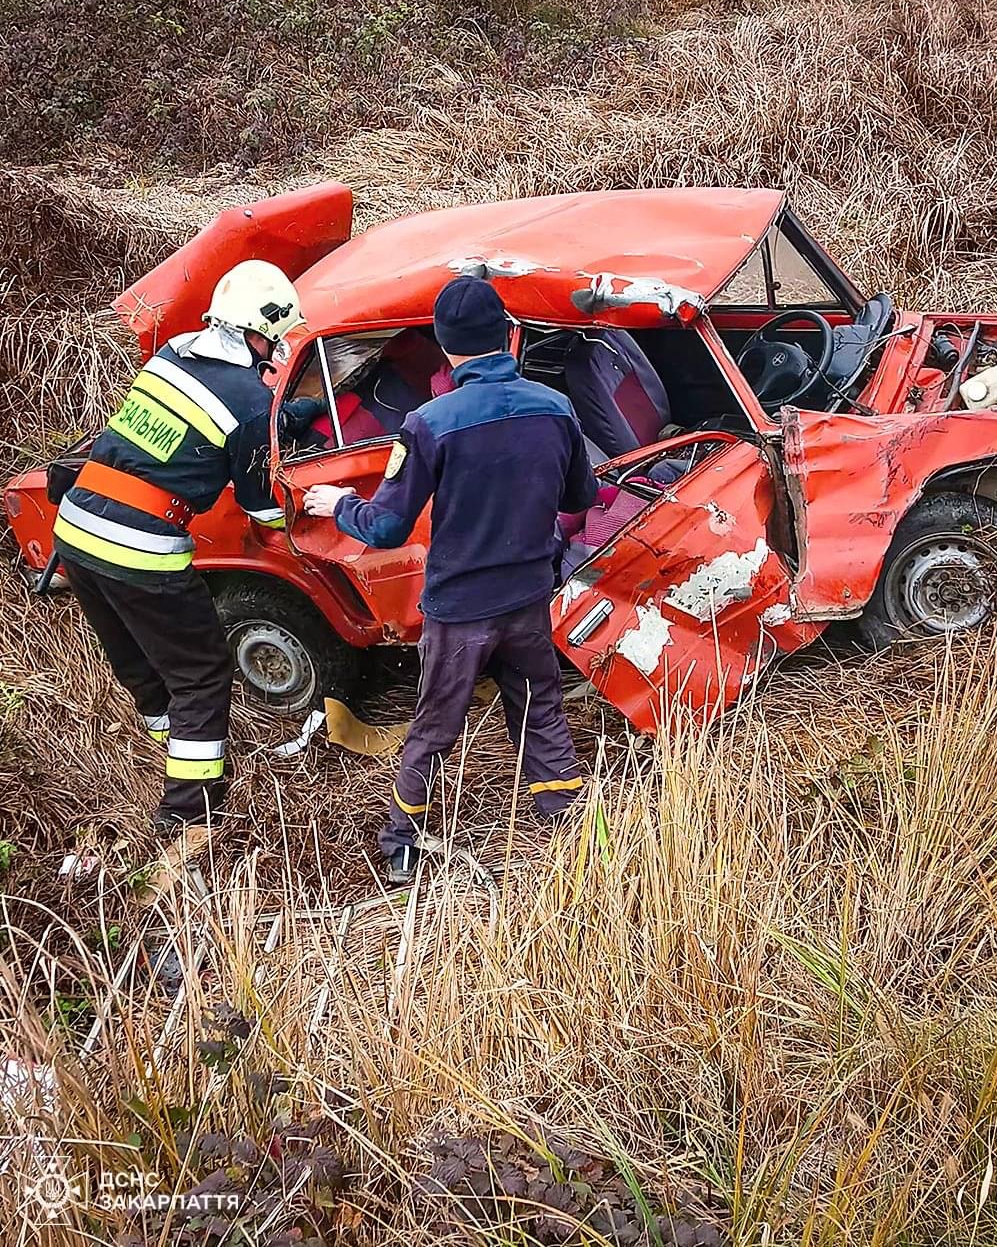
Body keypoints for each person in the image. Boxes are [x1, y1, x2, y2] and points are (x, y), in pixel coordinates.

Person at [304, 277, 599, 885]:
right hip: (526, 598)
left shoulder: (429, 423)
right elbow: (581, 497)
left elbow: (385, 528)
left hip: (460, 608)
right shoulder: (555, 408)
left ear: (445, 345)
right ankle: (567, 821)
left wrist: (336, 504)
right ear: (507, 337)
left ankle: (401, 843)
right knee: (540, 706)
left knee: (438, 721)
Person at [54, 260, 311, 836]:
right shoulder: (249, 400)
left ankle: (167, 736)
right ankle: (188, 812)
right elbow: (261, 506)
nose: (274, 349)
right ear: (258, 332)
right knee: (203, 671)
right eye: (273, 339)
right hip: (140, 546)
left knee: (134, 650)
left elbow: (194, 425)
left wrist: (283, 417)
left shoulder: (172, 355)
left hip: (75, 526)